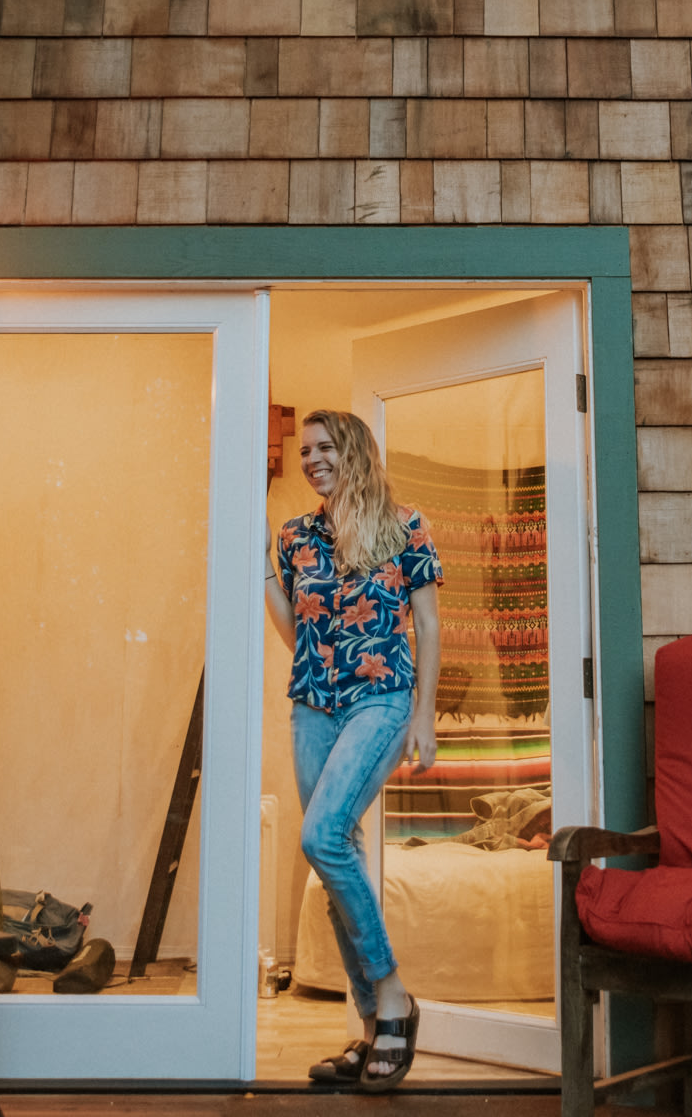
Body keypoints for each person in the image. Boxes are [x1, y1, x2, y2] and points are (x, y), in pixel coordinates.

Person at [263, 410, 443, 1091]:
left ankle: (393, 992)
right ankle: (373, 1029)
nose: (311, 458)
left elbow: (426, 621)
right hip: (312, 704)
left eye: (324, 447)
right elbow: (298, 634)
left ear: (355, 451)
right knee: (335, 853)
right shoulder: (295, 535)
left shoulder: (404, 525)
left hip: (382, 698)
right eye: (304, 450)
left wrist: (423, 713)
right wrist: (264, 577)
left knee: (321, 834)